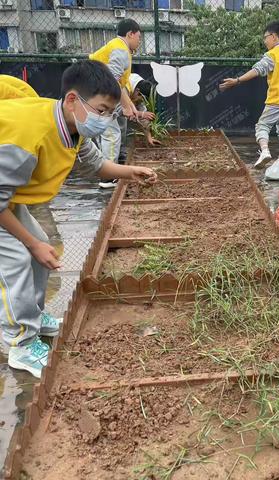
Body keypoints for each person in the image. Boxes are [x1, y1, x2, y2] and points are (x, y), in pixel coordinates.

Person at [0, 60, 157, 378]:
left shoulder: (73, 127)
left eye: (109, 112)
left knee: (43, 246)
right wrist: (29, 244)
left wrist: (131, 173)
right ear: (73, 99)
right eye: (101, 110)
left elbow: (97, 166)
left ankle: (35, 312)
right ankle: (20, 344)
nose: (104, 119)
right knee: (17, 259)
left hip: (9, 197)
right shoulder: (26, 141)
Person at [220, 21, 279, 174]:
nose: (264, 41)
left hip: (276, 99)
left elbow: (257, 70)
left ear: (274, 36)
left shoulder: (273, 55)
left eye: (265, 37)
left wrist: (237, 80)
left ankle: (264, 151)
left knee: (262, 126)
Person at [90, 18, 141, 187]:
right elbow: (112, 79)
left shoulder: (119, 47)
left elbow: (120, 83)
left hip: (99, 92)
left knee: (111, 131)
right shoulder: (120, 51)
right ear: (130, 34)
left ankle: (110, 166)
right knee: (111, 133)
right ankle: (107, 176)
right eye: (138, 37)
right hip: (98, 94)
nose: (139, 42)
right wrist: (126, 106)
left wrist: (130, 106)